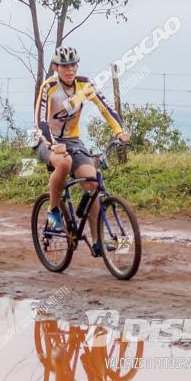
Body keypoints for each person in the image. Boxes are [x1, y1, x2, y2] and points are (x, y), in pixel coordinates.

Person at [33, 46, 130, 256]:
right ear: (55, 67)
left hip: (72, 140)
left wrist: (119, 131)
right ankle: (53, 211)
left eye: (73, 65)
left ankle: (97, 243)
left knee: (92, 182)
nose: (70, 69)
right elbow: (40, 122)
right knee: (63, 162)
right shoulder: (49, 86)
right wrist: (51, 144)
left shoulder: (85, 85)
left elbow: (106, 109)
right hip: (44, 138)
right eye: (65, 66)